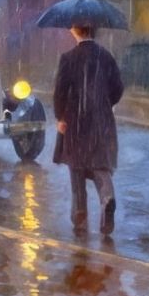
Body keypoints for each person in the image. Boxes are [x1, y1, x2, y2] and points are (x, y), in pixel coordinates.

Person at [52, 24, 125, 234]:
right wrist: (103, 103)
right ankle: (107, 198)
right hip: (101, 121)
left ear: (75, 30)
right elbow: (118, 88)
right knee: (100, 165)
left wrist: (60, 116)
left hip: (75, 121)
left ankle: (79, 215)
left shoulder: (68, 58)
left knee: (76, 168)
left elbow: (60, 92)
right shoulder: (106, 56)